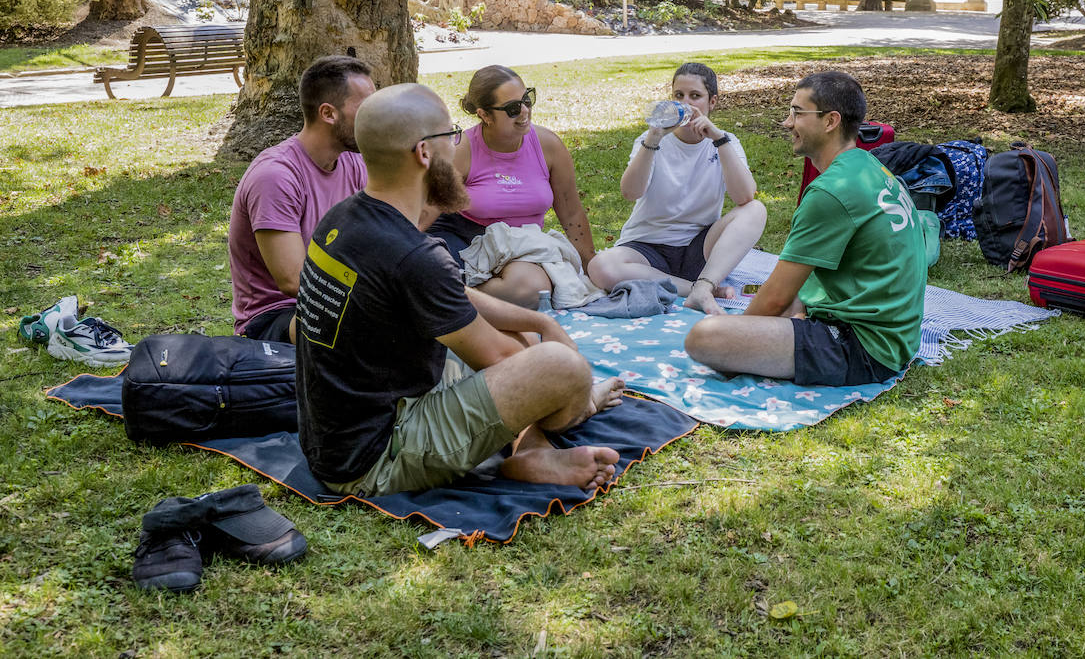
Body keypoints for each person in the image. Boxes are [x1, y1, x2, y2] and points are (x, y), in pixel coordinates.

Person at [294, 82, 624, 496]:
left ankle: (529, 450)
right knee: (562, 367)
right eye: (452, 134)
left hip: (338, 438)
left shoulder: (345, 217)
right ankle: (573, 412)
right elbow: (505, 360)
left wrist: (538, 320)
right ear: (424, 153)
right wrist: (578, 395)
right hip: (377, 458)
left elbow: (455, 297)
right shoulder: (412, 254)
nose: (459, 143)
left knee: (516, 333)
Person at [684, 71, 927, 385]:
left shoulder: (831, 192)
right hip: (895, 334)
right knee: (793, 299)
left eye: (797, 113)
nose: (787, 123)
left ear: (830, 121)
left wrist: (738, 338)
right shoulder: (869, 166)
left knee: (704, 337)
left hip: (866, 349)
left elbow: (774, 299)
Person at [587, 62, 767, 315]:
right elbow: (630, 193)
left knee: (756, 209)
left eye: (695, 96)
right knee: (600, 267)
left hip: (699, 248)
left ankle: (704, 282)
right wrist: (653, 138)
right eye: (678, 96)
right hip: (647, 249)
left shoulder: (725, 141)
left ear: (712, 102)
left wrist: (718, 140)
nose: (685, 103)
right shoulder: (649, 140)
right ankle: (700, 288)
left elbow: (744, 196)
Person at [228, 55, 376, 343]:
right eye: (366, 109)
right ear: (328, 113)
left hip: (337, 298)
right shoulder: (276, 176)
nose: (376, 118)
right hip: (276, 318)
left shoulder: (353, 163)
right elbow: (294, 280)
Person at [426, 66, 595, 308]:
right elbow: (427, 207)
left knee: (533, 291)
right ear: (484, 115)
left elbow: (571, 212)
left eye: (527, 99)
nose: (525, 111)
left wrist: (590, 265)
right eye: (513, 108)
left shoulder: (549, 145)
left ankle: (452, 292)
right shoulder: (462, 149)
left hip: (520, 243)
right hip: (465, 239)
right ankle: (450, 289)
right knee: (432, 269)